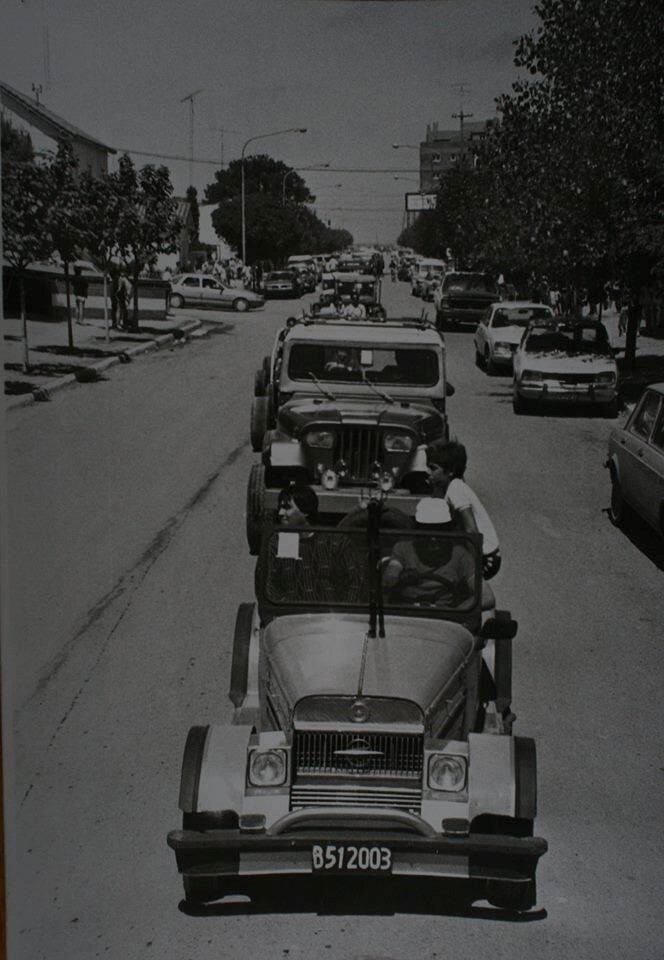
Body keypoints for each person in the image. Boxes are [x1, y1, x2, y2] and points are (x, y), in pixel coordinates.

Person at [425, 439, 501, 580]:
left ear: (450, 472)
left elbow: (471, 530)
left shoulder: (456, 489)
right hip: (476, 551)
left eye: (433, 468)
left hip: (485, 556)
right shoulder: (449, 487)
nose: (427, 471)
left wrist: (471, 565)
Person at [382, 498, 475, 607]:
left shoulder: (460, 554)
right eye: (427, 529)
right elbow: (392, 572)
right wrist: (394, 575)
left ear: (448, 530)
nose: (433, 538)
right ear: (418, 529)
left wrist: (457, 612)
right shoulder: (403, 548)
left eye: (439, 530)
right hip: (407, 612)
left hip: (444, 616)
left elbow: (486, 596)